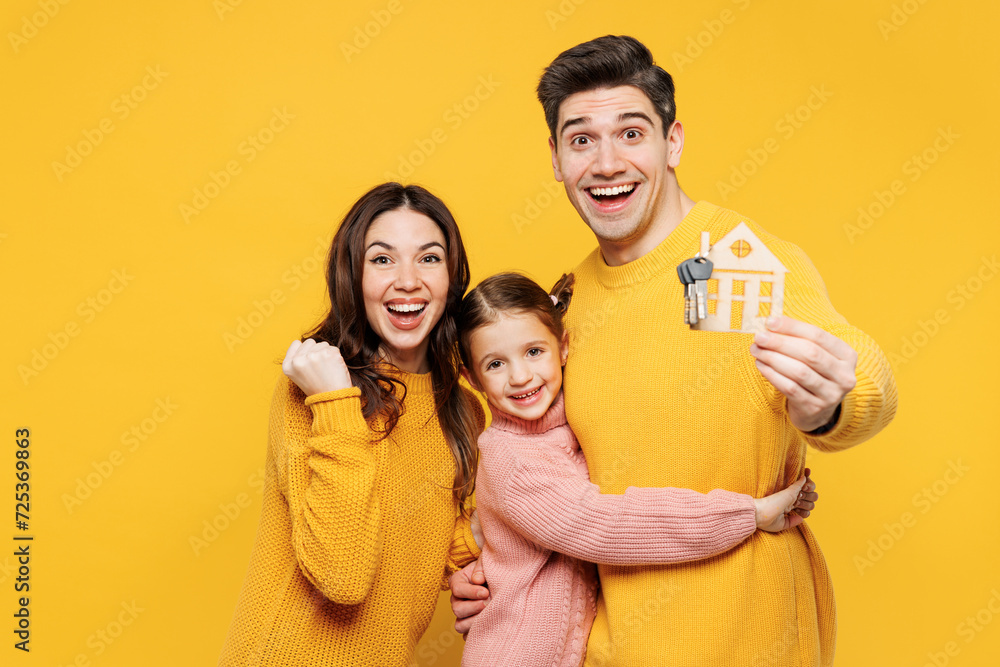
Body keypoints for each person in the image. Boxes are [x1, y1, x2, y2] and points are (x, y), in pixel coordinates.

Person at [451, 36, 898, 666]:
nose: (606, 163)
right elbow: (531, 468)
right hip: (612, 649)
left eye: (631, 133)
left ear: (673, 142)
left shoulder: (738, 261)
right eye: (581, 139)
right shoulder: (565, 305)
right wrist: (484, 568)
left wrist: (830, 405)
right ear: (556, 158)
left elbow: (862, 371)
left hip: (751, 637)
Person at [456, 271, 819, 667]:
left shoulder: (568, 426)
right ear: (471, 377)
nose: (521, 376)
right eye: (495, 364)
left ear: (563, 347)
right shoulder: (512, 461)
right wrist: (749, 513)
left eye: (533, 352)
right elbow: (606, 525)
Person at [219, 182, 486, 667]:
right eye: (382, 260)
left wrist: (472, 563)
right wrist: (335, 401)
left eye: (429, 258)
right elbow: (342, 575)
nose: (408, 281)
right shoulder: (315, 390)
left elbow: (427, 541)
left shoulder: (464, 410)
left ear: (451, 277)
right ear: (353, 275)